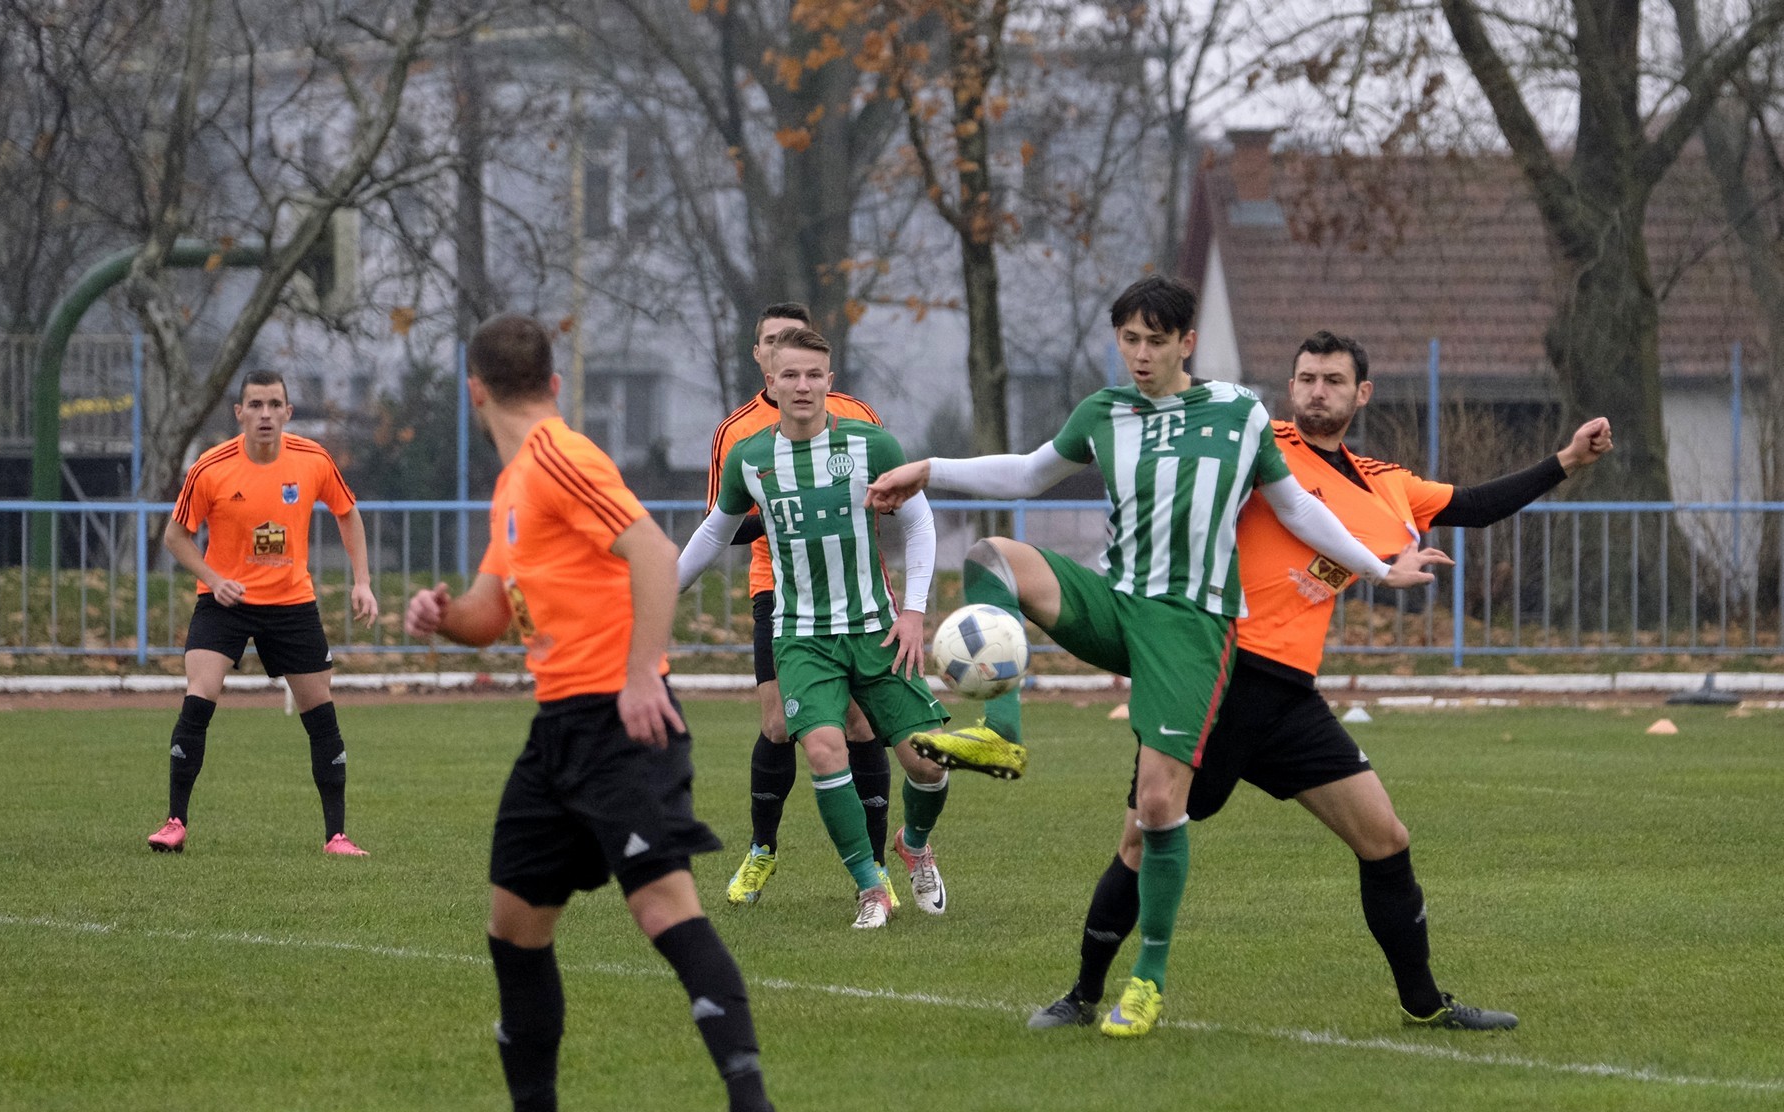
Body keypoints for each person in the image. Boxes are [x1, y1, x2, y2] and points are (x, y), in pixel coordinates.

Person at [866, 276, 1446, 1034]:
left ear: (1186, 343)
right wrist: (928, 469)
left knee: (1158, 809)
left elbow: (1298, 510)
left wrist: (1377, 569)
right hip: (1119, 602)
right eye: (1128, 340)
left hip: (1189, 626)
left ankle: (1145, 981)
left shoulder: (1237, 413)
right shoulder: (1105, 412)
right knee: (992, 557)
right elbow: (1029, 473)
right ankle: (1002, 735)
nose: (1139, 355)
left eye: (1154, 341)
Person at [1025, 330, 1613, 1033]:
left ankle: (1424, 1003)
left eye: (1332, 380)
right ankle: (1082, 995)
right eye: (1305, 378)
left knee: (1384, 837)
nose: (1316, 392)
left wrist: (1566, 460)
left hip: (1288, 697)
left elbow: (1475, 505)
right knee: (1141, 839)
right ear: (1290, 387)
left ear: (1362, 394)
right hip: (1216, 675)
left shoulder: (1387, 482)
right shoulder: (1257, 441)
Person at [404, 314, 790, 1112]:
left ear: (473, 391)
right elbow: (489, 614)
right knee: (514, 925)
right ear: (553, 380)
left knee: (663, 910)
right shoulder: (515, 482)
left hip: (620, 723)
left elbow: (651, 550)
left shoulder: (559, 456)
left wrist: (640, 674)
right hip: (558, 733)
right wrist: (443, 617)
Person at [678, 326, 953, 928]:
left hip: (876, 628)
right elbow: (713, 534)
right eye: (790, 375)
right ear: (770, 384)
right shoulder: (749, 457)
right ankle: (870, 888)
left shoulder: (873, 445)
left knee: (929, 765)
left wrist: (913, 612)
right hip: (801, 634)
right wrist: (656, 598)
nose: (802, 385)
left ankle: (913, 844)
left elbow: (919, 524)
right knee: (826, 751)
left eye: (812, 375)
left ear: (829, 381)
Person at [704, 302, 898, 910]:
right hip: (778, 589)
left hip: (853, 591)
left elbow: (888, 498)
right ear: (760, 358)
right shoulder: (738, 435)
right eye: (769, 343)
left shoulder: (856, 418)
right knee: (777, 724)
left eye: (791, 343)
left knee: (860, 725)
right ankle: (762, 849)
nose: (779, 351)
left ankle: (877, 867)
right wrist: (787, 508)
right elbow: (721, 525)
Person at [147, 370, 378, 857]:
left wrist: (362, 581)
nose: (266, 414)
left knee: (321, 714)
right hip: (225, 602)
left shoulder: (313, 459)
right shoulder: (211, 468)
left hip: (291, 603)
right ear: (240, 413)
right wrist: (214, 579)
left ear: (288, 412)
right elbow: (175, 536)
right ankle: (174, 823)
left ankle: (336, 836)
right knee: (199, 695)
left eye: (275, 404)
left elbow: (347, 512)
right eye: (255, 405)